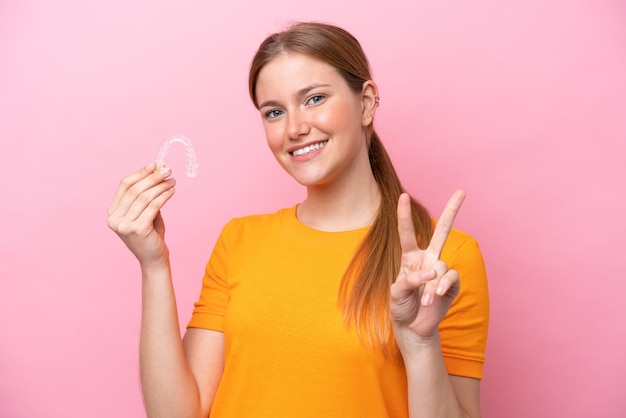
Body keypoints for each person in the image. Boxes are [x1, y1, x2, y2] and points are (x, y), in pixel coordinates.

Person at [107, 21, 489, 418]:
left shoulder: (444, 258)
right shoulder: (239, 240)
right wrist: (154, 265)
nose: (295, 128)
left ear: (367, 102)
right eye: (274, 112)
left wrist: (420, 344)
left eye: (314, 99)